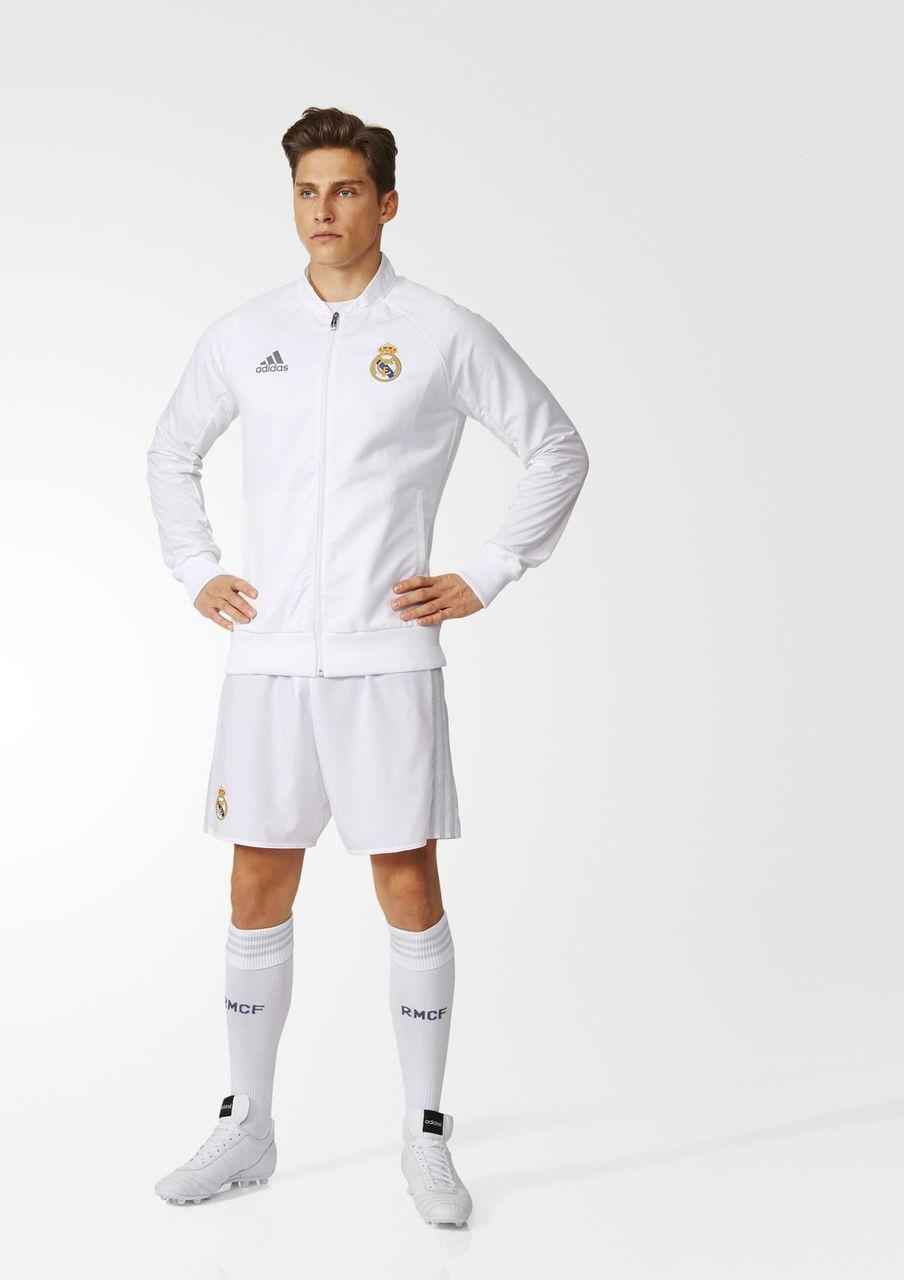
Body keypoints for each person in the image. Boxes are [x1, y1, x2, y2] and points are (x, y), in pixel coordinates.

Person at [146, 106, 589, 1226]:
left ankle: (424, 1130)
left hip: (386, 657)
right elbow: (171, 449)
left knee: (406, 881)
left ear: (385, 202)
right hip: (269, 661)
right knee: (256, 881)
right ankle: (248, 1122)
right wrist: (197, 567)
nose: (323, 210)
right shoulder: (246, 334)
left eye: (345, 190)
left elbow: (555, 445)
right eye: (307, 191)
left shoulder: (439, 331)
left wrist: (487, 572)